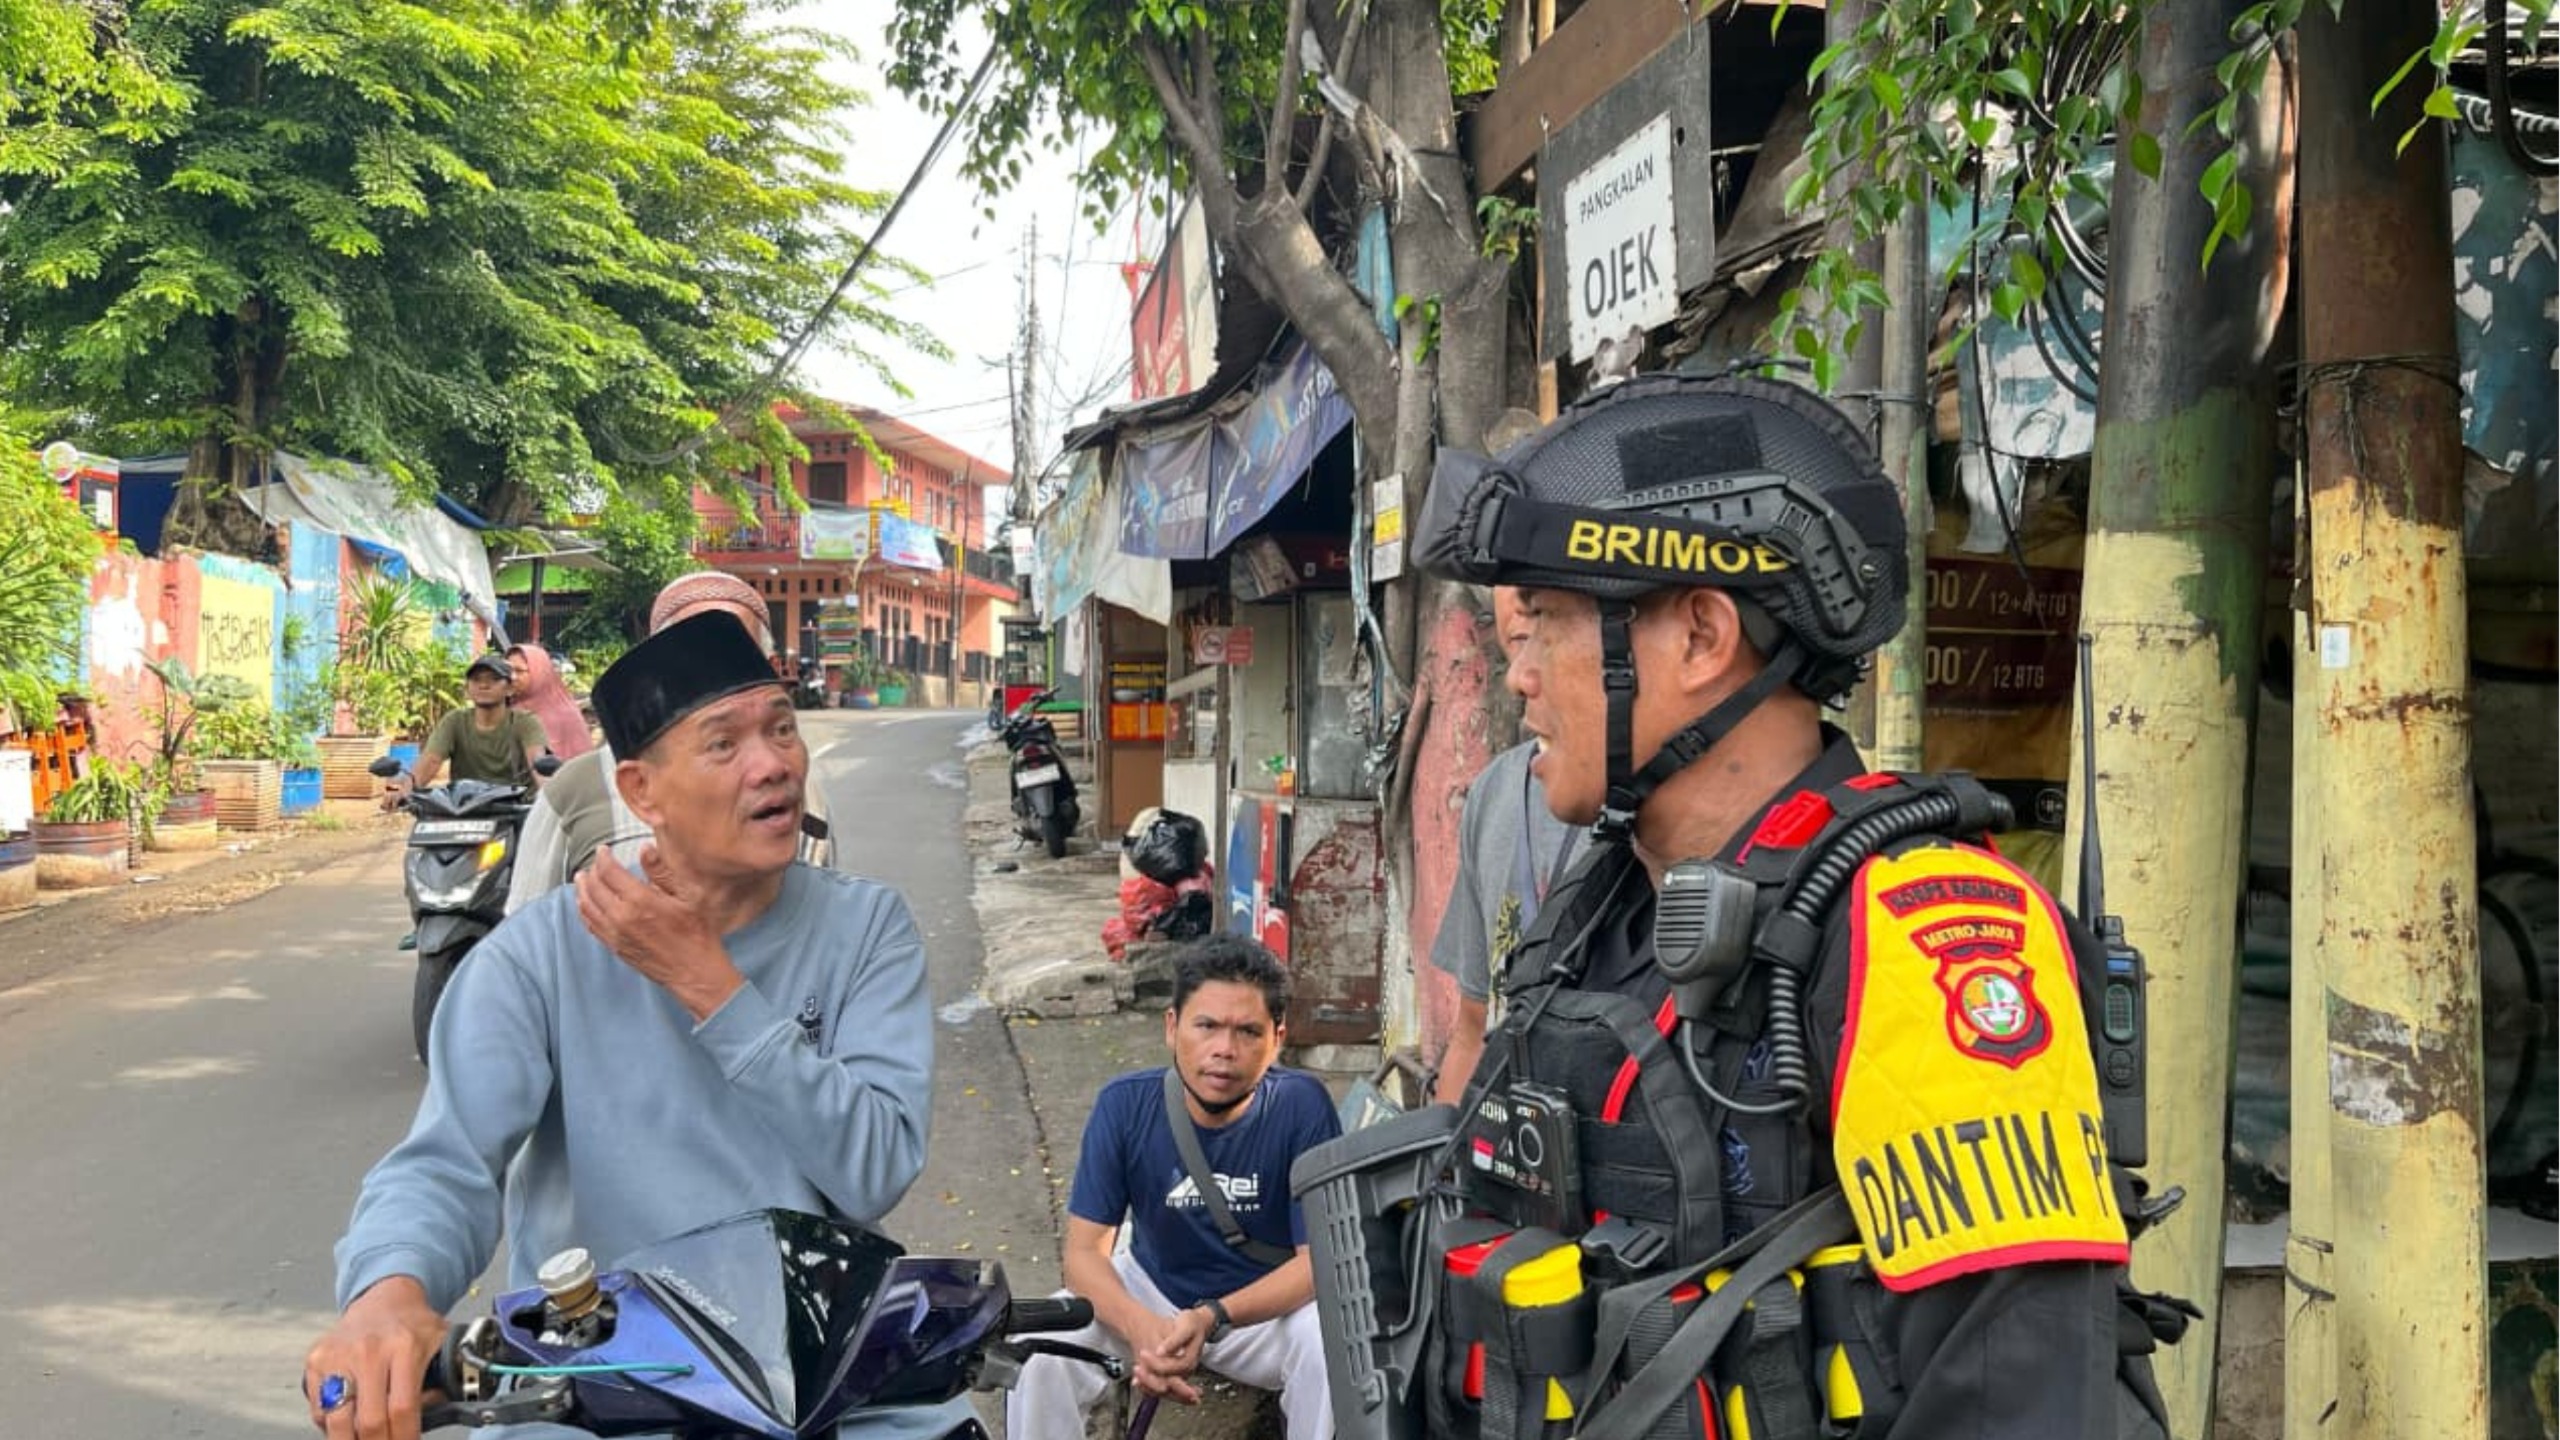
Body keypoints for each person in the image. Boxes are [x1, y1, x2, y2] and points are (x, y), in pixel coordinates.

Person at [1399, 372, 2171, 1437]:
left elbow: (2016, 1396)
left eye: (1547, 625)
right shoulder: (1596, 908)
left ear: (1701, 638)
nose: (1517, 677)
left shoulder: (1921, 929)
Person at [303, 610, 952, 1440]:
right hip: (591, 1385)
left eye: (782, 730)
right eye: (724, 744)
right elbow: (445, 1162)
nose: (773, 766)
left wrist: (710, 986)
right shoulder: (541, 955)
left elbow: (874, 1170)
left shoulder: (867, 930)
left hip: (817, 1375)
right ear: (642, 790)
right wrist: (387, 1295)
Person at [1007, 935, 1341, 1440]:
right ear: (1172, 1027)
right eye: (1206, 1025)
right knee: (1039, 1351)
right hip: (1152, 1290)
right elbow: (1082, 1255)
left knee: (1330, 1346)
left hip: (1257, 1312)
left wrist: (1212, 1316)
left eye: (1248, 1031)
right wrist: (1143, 1329)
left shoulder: (1303, 1108)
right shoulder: (1124, 1106)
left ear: (1277, 1040)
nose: (1223, 1050)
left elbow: (1317, 1262)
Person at [506, 572, 832, 914]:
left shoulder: (798, 787)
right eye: (694, 650)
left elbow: (823, 920)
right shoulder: (575, 789)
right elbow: (523, 928)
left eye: (735, 652)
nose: (716, 670)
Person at [1428, 586, 1586, 1104]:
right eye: (1503, 576)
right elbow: (1474, 1027)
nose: (1519, 600)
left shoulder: (1674, 810)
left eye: (1542, 577)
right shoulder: (1494, 790)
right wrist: (1440, 1169)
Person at [393, 654, 547, 800]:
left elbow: (537, 761)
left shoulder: (525, 722)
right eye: (476, 679)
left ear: (510, 689)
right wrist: (406, 789)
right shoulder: (454, 721)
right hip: (465, 807)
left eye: (494, 679)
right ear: (467, 689)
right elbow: (431, 760)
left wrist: (547, 796)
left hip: (517, 807)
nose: (484, 685)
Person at [503, 642, 594, 763]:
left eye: (519, 671)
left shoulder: (563, 714)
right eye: (507, 670)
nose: (512, 676)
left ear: (539, 673)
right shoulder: (505, 705)